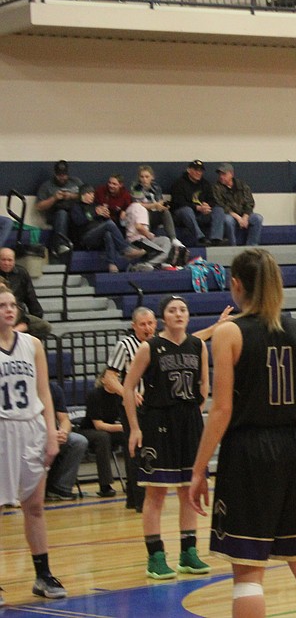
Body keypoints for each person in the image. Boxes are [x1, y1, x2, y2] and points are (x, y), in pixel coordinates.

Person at [187, 248, 296, 618]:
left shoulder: (228, 332)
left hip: (249, 451)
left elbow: (221, 410)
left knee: (249, 573)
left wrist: (198, 468)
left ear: (236, 285)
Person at [123, 295, 212, 580]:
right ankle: (156, 556)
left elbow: (204, 386)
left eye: (183, 309)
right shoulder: (150, 347)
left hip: (188, 422)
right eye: (172, 310)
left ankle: (189, 552)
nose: (178, 314)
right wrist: (135, 428)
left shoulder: (198, 346)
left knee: (189, 489)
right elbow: (127, 388)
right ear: (164, 317)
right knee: (156, 491)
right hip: (157, 422)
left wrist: (192, 416)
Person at [0, 290, 68, 603]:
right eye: (2, 305)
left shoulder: (33, 344)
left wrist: (52, 432)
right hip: (2, 430)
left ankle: (43, 574)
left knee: (35, 506)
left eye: (12, 305)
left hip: (32, 428)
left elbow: (44, 391)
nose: (9, 310)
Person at [105, 306, 158, 510]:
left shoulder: (159, 343)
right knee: (136, 450)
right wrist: (127, 391)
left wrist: (215, 327)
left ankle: (134, 498)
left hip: (153, 404)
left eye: (150, 323)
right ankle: (140, 500)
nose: (147, 328)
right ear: (133, 325)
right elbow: (109, 377)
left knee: (148, 449)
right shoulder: (125, 345)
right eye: (143, 324)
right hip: (132, 405)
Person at [69, 185, 147, 272]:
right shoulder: (76, 207)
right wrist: (95, 213)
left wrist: (106, 216)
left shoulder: (96, 206)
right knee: (109, 225)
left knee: (108, 233)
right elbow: (79, 221)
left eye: (93, 194)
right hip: (86, 237)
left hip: (99, 237)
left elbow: (106, 221)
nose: (92, 196)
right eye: (89, 193)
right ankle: (126, 249)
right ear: (83, 195)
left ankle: (111, 264)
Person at [43, 382, 88, 501]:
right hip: (32, 436)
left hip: (53, 434)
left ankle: (60, 488)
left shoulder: (54, 389)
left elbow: (64, 419)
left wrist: (63, 432)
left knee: (78, 441)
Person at [171, 160, 227, 247]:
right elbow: (178, 202)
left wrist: (207, 206)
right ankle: (200, 238)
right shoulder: (179, 184)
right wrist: (197, 208)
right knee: (186, 210)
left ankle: (216, 239)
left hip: (202, 214)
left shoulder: (205, 184)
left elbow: (212, 200)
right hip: (184, 216)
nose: (198, 173)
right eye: (196, 170)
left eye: (200, 170)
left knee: (219, 210)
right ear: (189, 170)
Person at [0, 248, 50, 339]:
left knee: (43, 326)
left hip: (19, 314)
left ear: (14, 261)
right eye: (3, 260)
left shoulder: (22, 273)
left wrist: (35, 316)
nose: (6, 263)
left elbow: (31, 297)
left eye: (9, 260)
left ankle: (15, 334)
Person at [35, 159, 83, 255]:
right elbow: (39, 206)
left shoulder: (76, 182)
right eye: (59, 175)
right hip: (56, 214)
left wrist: (71, 196)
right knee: (62, 214)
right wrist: (54, 198)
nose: (62, 178)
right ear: (55, 174)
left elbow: (87, 195)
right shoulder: (47, 186)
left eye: (64, 175)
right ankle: (60, 245)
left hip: (74, 213)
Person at [212, 164, 264, 246]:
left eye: (224, 174)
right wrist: (238, 218)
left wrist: (245, 217)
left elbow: (250, 203)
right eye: (220, 174)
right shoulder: (216, 187)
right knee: (228, 220)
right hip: (230, 215)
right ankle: (233, 246)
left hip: (244, 214)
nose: (221, 177)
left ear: (231, 174)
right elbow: (221, 205)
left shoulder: (242, 185)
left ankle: (252, 246)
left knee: (258, 218)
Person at [131, 165, 178, 242]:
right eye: (142, 177)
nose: (144, 179)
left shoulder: (156, 187)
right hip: (142, 215)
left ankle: (173, 239)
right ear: (139, 178)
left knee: (165, 212)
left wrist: (161, 206)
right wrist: (154, 205)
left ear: (152, 177)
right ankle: (146, 239)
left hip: (154, 213)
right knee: (145, 213)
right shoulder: (136, 187)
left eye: (147, 177)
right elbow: (138, 205)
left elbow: (159, 200)